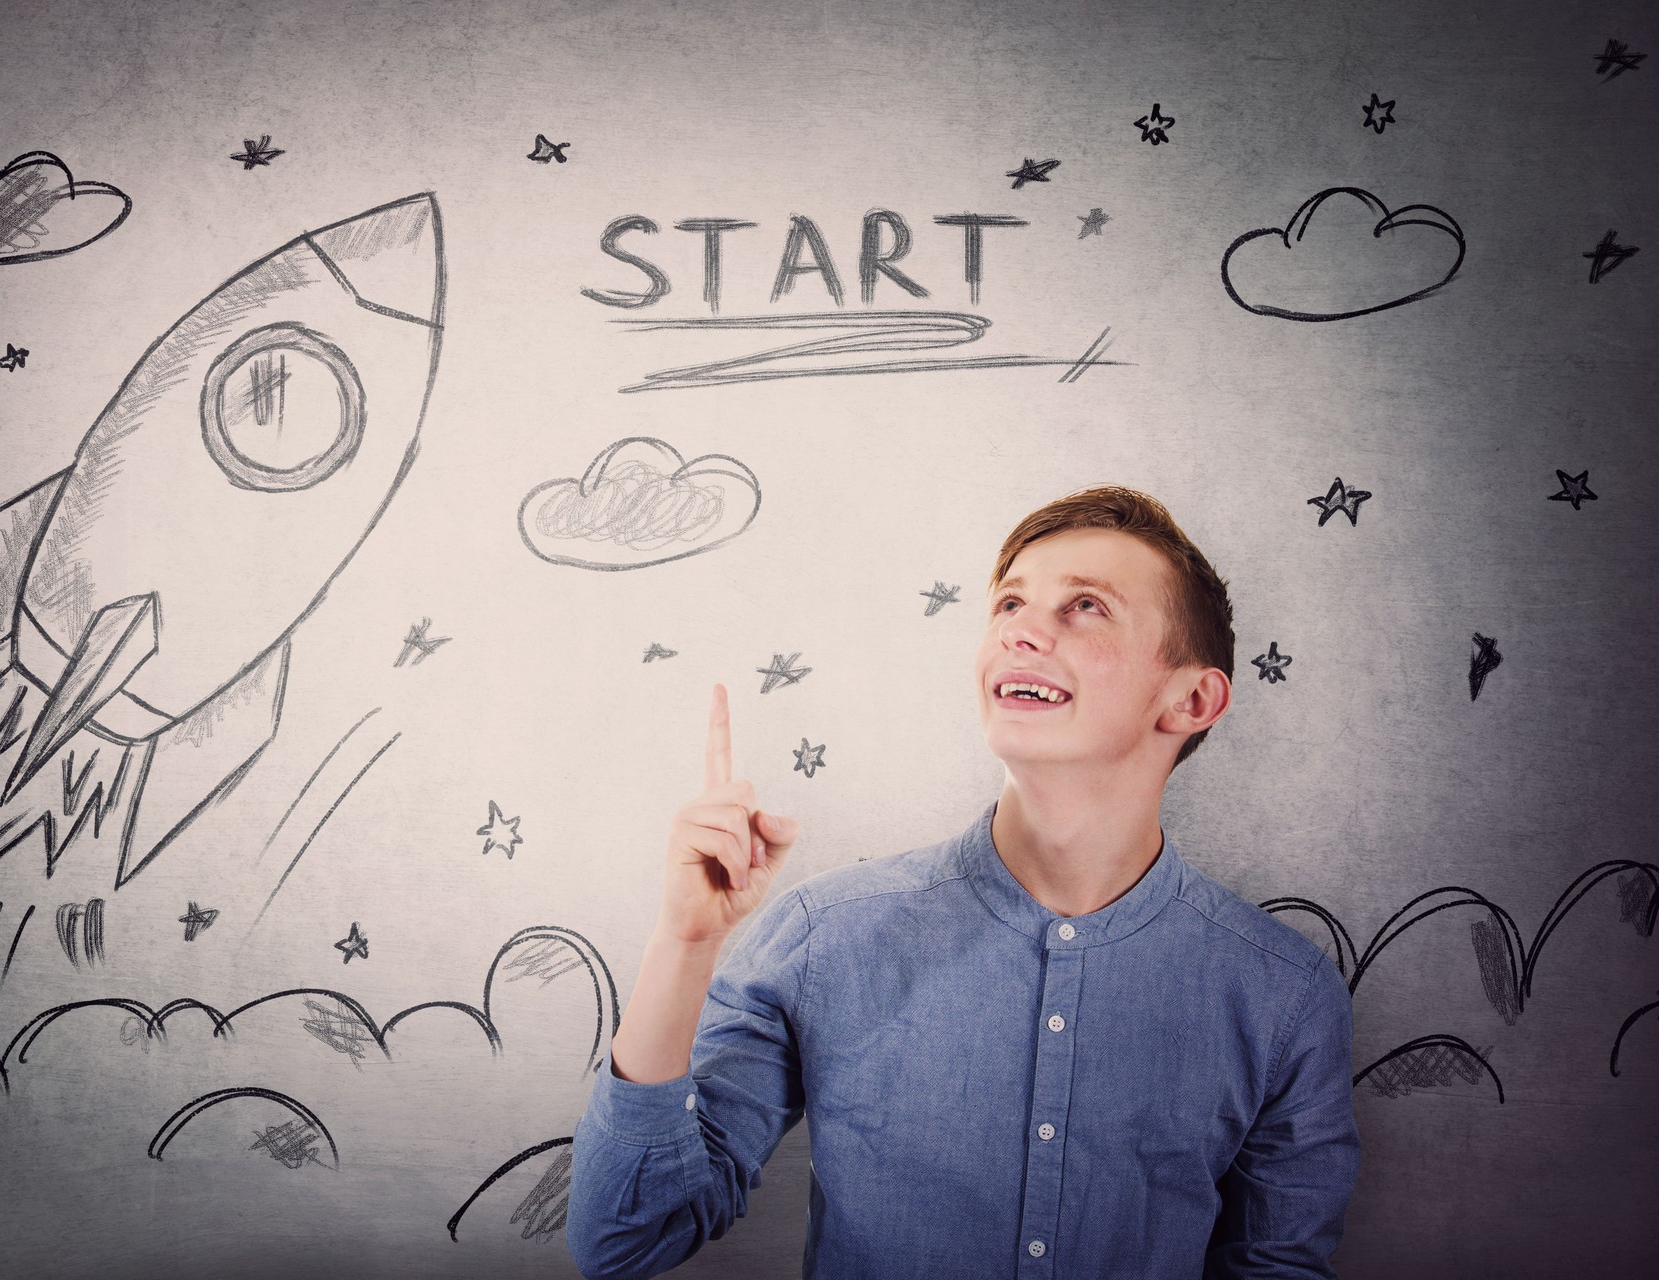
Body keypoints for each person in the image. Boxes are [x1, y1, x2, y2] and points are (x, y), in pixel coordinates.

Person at [565, 486, 1361, 1279]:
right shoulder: (824, 935)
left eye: (1084, 607)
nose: (1021, 631)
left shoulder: (1283, 999)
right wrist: (685, 944)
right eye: (1009, 604)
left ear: (1192, 698)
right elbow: (626, 1238)